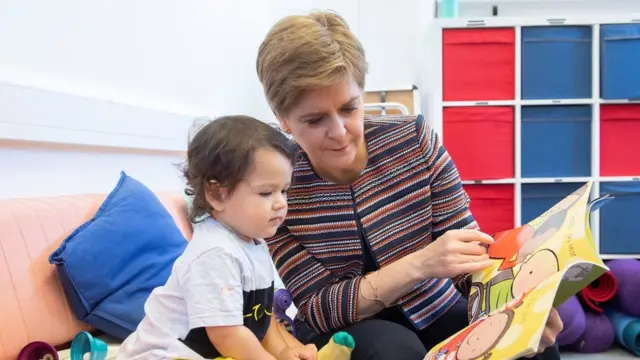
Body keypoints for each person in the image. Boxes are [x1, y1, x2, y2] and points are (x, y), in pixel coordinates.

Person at [256, 10, 563, 360]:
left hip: (433, 306)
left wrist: (516, 299)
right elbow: (318, 307)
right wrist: (421, 263)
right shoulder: (278, 188)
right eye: (315, 119)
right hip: (343, 331)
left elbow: (469, 251)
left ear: (362, 93)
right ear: (284, 121)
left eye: (348, 109)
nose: (340, 133)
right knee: (395, 350)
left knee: (529, 343)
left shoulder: (413, 141)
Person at [116, 115, 317, 360]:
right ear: (217, 194)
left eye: (283, 190)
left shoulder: (255, 243)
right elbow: (227, 335)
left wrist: (285, 352)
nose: (280, 203)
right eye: (266, 192)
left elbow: (262, 323)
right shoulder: (215, 252)